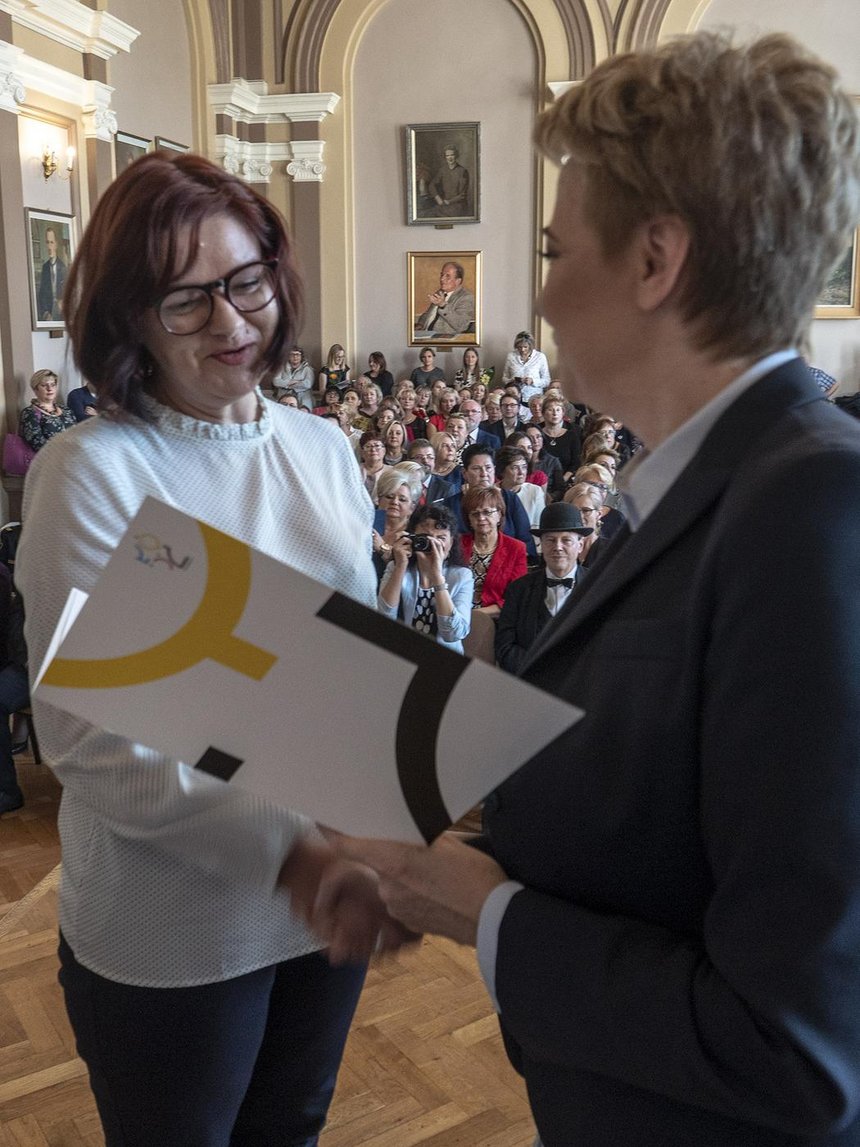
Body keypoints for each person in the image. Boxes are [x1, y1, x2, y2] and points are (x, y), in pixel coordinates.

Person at [294, 31, 860, 1147]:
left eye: (556, 249)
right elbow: (670, 829)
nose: (543, 297)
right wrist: (443, 872)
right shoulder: (705, 481)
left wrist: (483, 911)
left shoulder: (814, 508)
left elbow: (799, 1043)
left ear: (655, 260)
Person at [16, 151, 403, 1147]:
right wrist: (299, 853)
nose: (230, 321)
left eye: (245, 282)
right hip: (174, 933)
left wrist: (394, 816)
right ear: (131, 318)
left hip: (324, 902)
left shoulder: (320, 447)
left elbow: (346, 677)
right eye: (186, 299)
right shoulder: (95, 470)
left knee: (294, 1129)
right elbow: (96, 744)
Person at [494, 502, 592, 674]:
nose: (558, 547)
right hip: (528, 681)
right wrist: (539, 673)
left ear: (580, 546)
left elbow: (604, 645)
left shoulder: (597, 585)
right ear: (541, 545)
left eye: (566, 540)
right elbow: (505, 647)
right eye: (550, 540)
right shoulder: (518, 589)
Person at [377, 504, 473, 653]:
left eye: (440, 538)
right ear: (411, 537)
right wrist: (400, 565)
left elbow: (454, 634)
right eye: (426, 537)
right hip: (402, 652)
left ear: (451, 543)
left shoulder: (462, 576)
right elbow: (384, 617)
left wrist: (437, 576)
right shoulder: (396, 568)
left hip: (445, 658)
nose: (432, 544)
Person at [459, 485, 527, 612]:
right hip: (457, 614)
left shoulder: (516, 549)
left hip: (495, 618)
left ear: (499, 515)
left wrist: (476, 614)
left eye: (487, 512)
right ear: (468, 519)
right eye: (475, 514)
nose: (481, 518)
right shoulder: (457, 544)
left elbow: (516, 596)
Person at [19, 369, 76, 453]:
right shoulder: (29, 413)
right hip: (50, 458)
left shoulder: (66, 410)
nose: (50, 389)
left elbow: (77, 433)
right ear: (35, 389)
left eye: (53, 385)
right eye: (44, 385)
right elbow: (37, 443)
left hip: (73, 455)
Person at [415, 261, 475, 336]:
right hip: (424, 335)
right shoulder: (440, 292)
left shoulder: (466, 297)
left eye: (447, 276)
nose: (442, 279)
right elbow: (429, 314)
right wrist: (420, 324)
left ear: (458, 281)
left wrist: (443, 305)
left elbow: (461, 326)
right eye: (442, 275)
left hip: (443, 338)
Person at [423, 145, 471, 218]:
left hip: (458, 206)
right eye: (447, 156)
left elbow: (462, 195)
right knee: (426, 214)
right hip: (444, 205)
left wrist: (448, 202)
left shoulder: (462, 171)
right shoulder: (443, 170)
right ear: (445, 157)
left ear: (456, 156)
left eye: (452, 155)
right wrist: (437, 198)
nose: (450, 158)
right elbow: (432, 185)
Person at [502, 331, 551, 401]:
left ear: (530, 346)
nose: (522, 350)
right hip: (514, 397)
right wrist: (513, 380)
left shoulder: (540, 357)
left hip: (534, 398)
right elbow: (504, 378)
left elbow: (547, 380)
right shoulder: (511, 356)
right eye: (519, 347)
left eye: (525, 347)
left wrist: (533, 381)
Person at [37, 226, 67, 321]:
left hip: (61, 314)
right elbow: (42, 294)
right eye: (47, 242)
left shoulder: (63, 267)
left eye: (51, 242)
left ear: (56, 244)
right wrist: (45, 313)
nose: (49, 247)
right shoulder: (45, 268)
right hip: (49, 314)